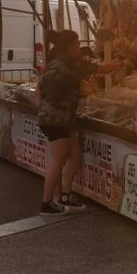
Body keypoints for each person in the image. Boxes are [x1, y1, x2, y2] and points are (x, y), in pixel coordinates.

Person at [37, 30, 91, 216]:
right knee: (58, 161)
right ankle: (46, 203)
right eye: (76, 44)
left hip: (55, 118)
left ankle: (64, 195)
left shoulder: (53, 64)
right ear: (70, 47)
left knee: (74, 152)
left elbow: (38, 90)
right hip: (56, 120)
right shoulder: (67, 65)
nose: (79, 48)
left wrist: (45, 107)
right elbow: (97, 69)